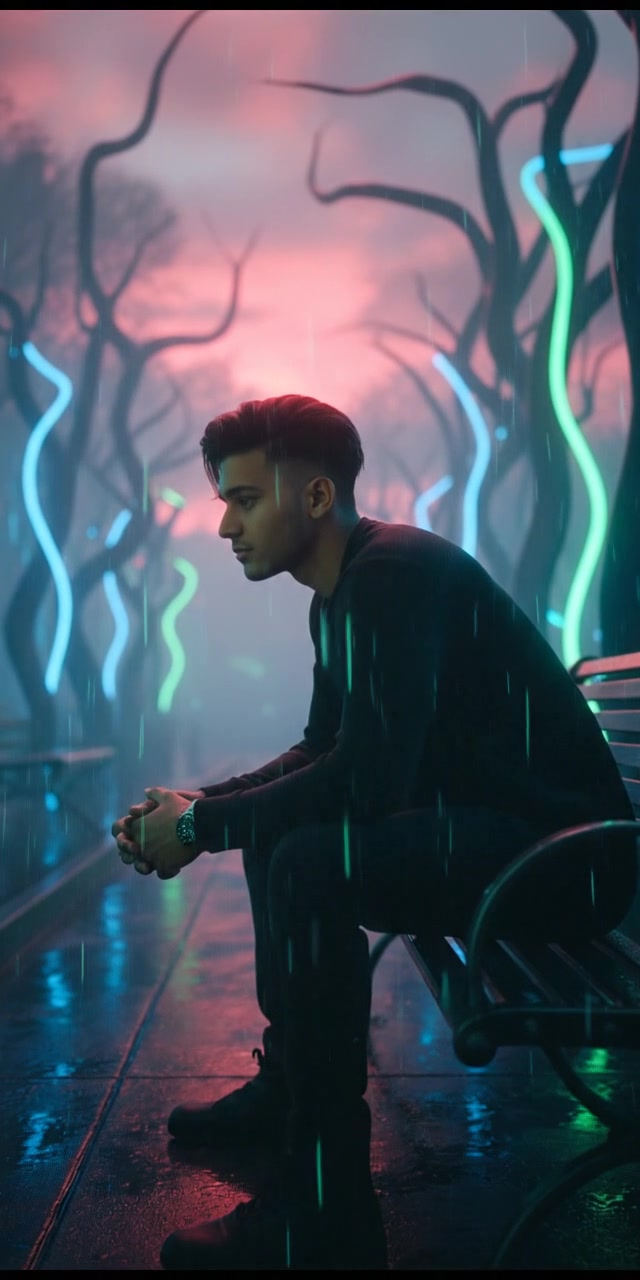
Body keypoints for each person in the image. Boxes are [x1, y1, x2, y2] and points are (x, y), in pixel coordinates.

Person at [112, 394, 636, 1271]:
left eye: (244, 500)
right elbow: (327, 751)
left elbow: (368, 782)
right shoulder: (348, 587)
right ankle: (291, 1090)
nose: (224, 527)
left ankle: (328, 1218)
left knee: (313, 860)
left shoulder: (390, 575)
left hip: (563, 865)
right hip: (516, 844)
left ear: (315, 498)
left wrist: (203, 826)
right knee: (290, 840)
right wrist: (196, 803)